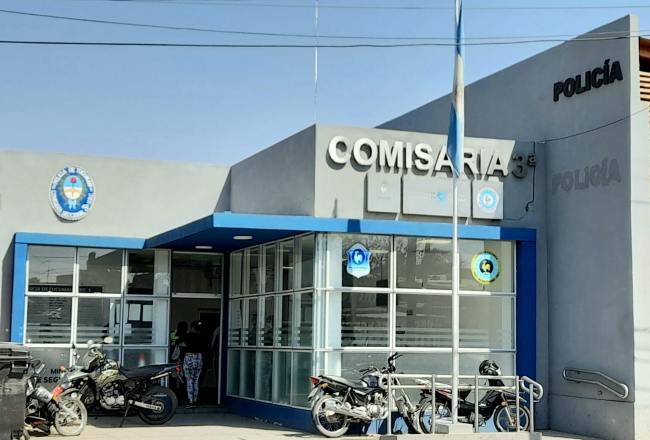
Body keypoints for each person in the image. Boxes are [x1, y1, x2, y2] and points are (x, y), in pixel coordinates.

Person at [182, 321, 206, 408]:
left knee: (189, 379)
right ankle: (195, 400)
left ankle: (190, 401)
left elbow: (182, 345)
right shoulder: (202, 337)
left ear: (191, 328)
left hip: (189, 357)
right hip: (199, 357)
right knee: (196, 380)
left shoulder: (187, 336)